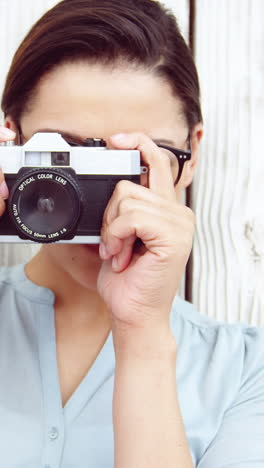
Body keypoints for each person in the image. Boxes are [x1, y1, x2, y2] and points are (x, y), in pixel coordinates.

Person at [0, 0, 263, 467]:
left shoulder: (245, 371)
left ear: (191, 154)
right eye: (69, 157)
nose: (106, 206)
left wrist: (142, 334)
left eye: (139, 162)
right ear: (11, 141)